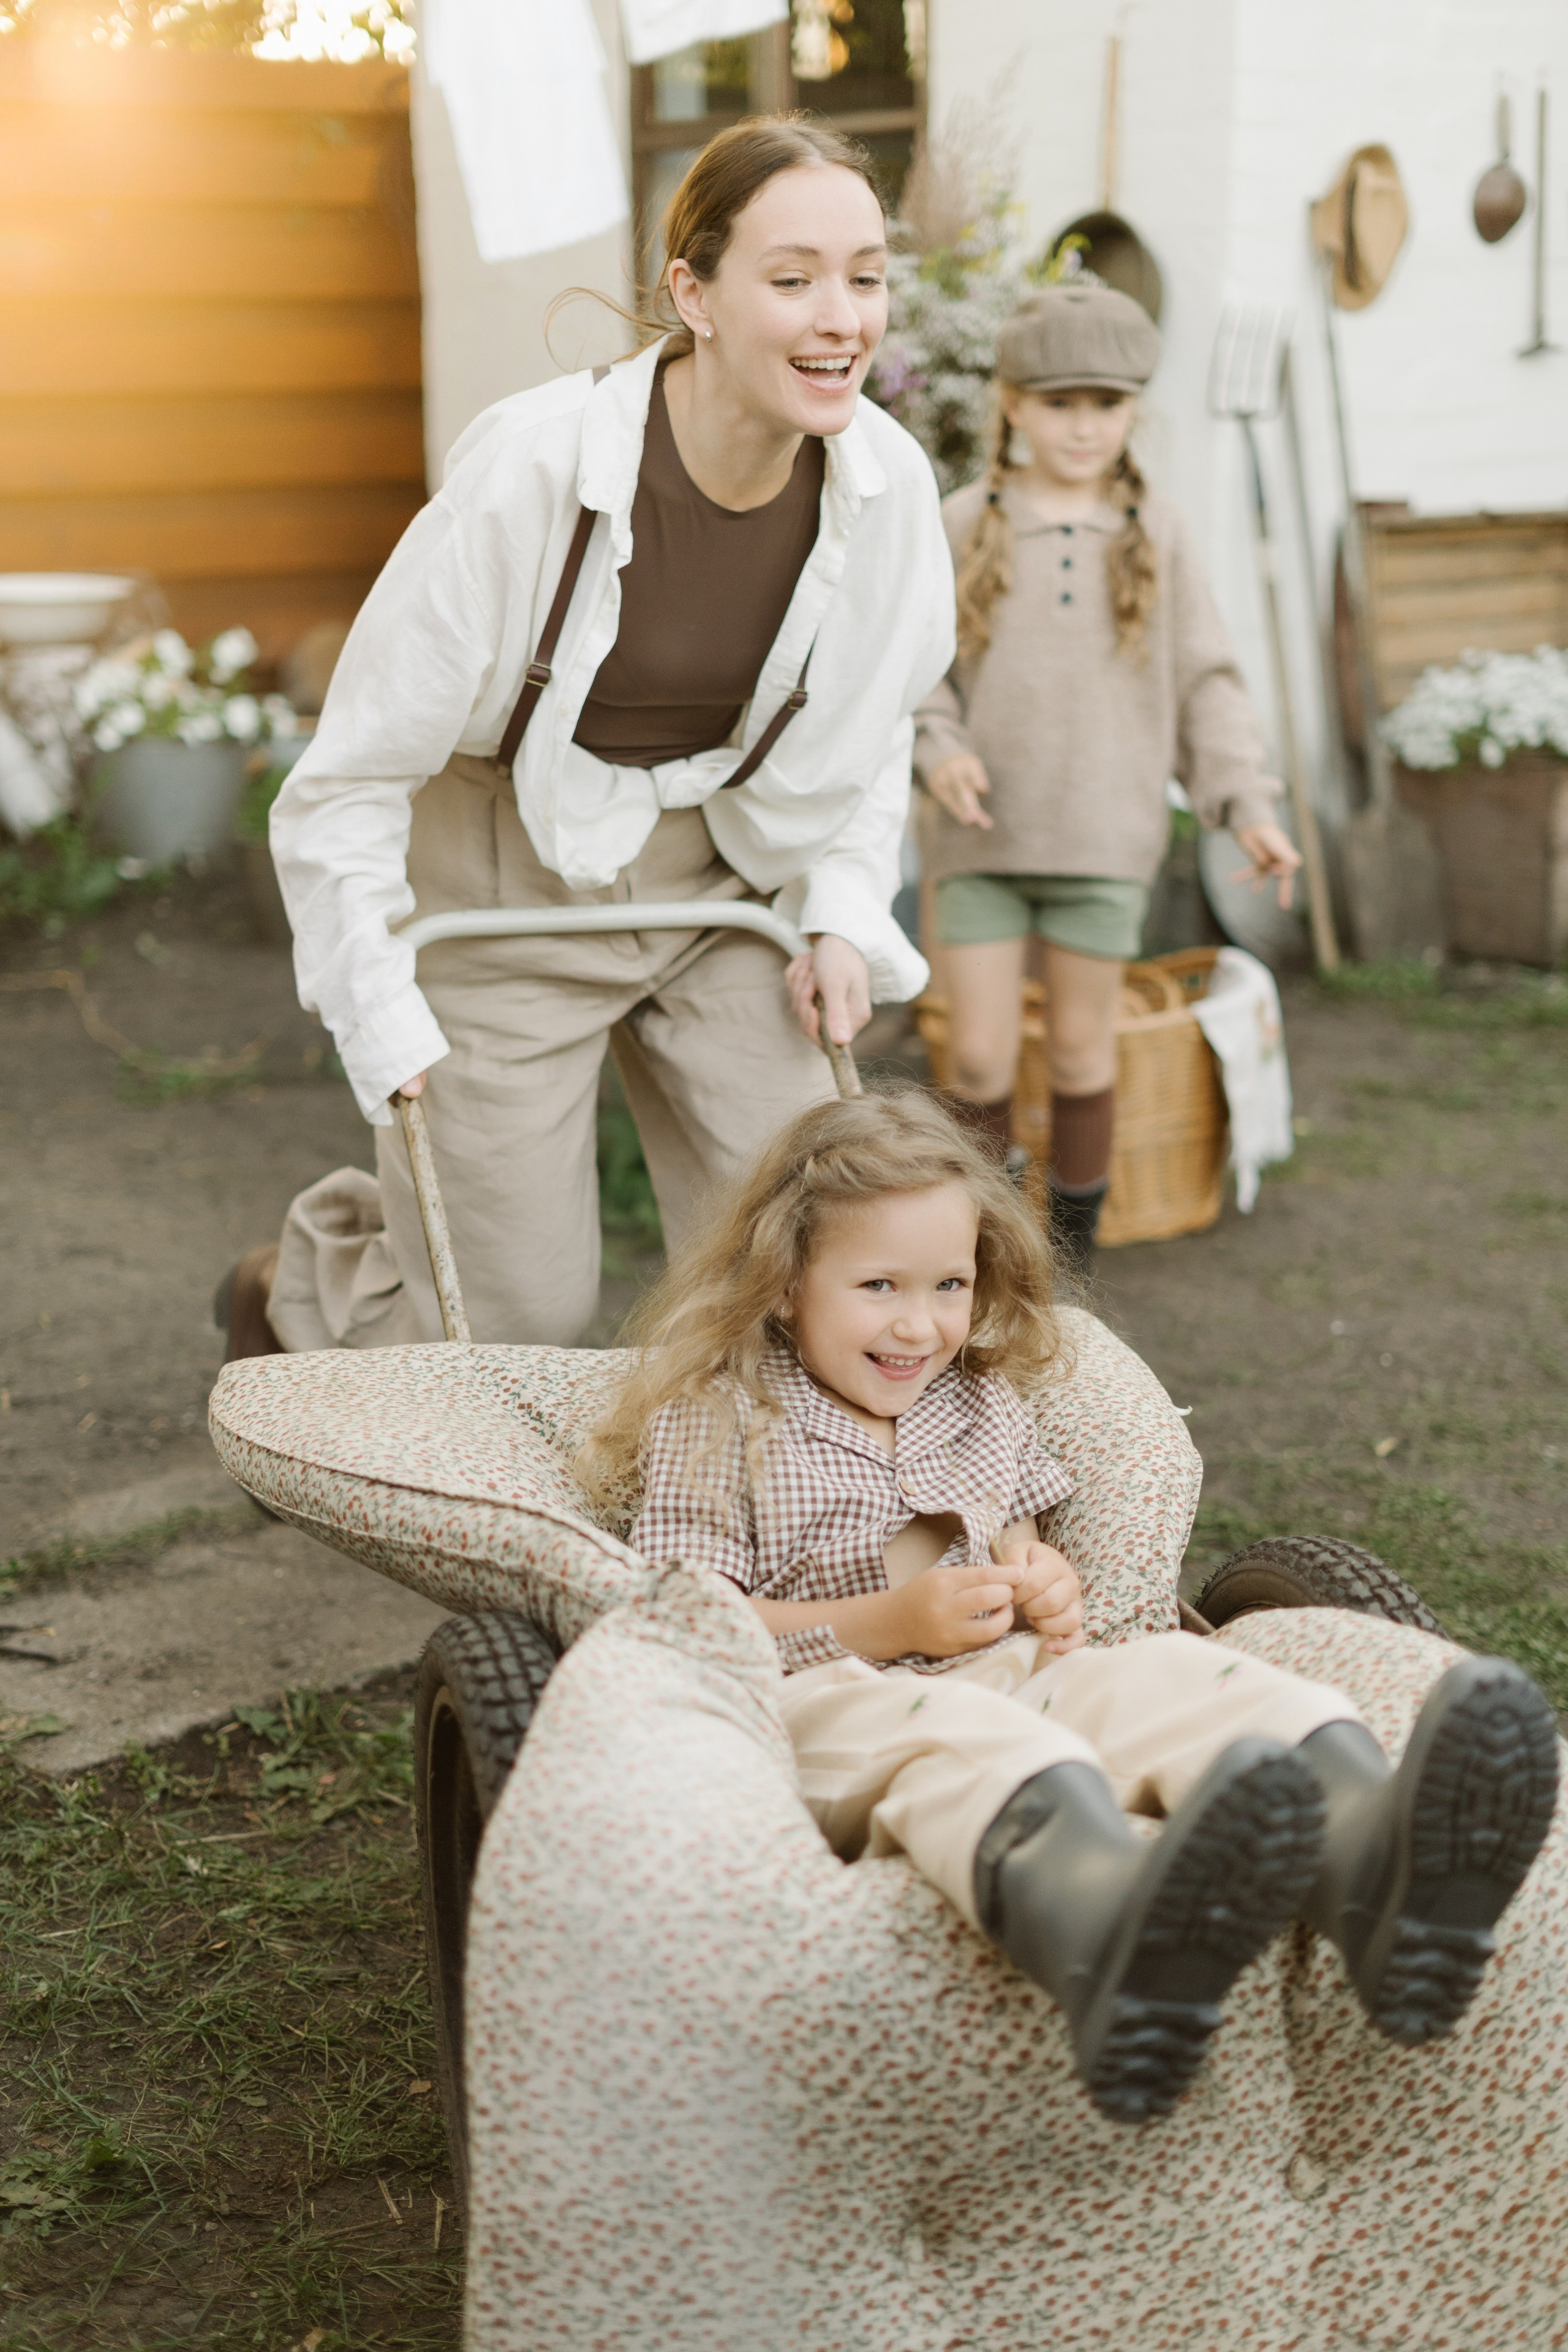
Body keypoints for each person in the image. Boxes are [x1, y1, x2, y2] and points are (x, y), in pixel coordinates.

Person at [582, 1090, 1558, 2124]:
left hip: (1001, 1673)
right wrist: (888, 1626)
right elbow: (691, 1622)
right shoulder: (722, 1415)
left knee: (1170, 1675)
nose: (921, 1325)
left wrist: (1042, 1578)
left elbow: (1017, 1541)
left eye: (949, 1285)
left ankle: (1378, 1868)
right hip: (819, 1705)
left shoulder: (974, 1403)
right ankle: (1109, 1942)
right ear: (784, 1284)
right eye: (878, 1286)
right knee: (955, 1740)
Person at [217, 116, 952, 1360]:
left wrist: (837, 901)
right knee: (514, 1324)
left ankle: (764, 1530)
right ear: (694, 294)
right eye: (791, 280)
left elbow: (869, 725)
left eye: (865, 277)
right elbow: (343, 782)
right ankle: (304, 1287)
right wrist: (376, 1005)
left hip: (724, 887)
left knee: (810, 1257)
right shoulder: (535, 474)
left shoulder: (884, 487)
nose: (840, 318)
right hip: (500, 885)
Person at [913, 282, 1300, 1270]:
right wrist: (940, 748)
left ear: (1133, 411)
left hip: (1105, 839)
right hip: (980, 843)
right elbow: (914, 677)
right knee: (979, 1058)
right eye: (1058, 403)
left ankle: (1069, 1273)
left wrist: (1245, 804)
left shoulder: (1157, 531)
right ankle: (981, 1259)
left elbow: (1206, 681)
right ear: (1012, 403)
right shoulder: (958, 523)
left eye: (1105, 405)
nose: (1083, 427)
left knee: (1084, 1054)